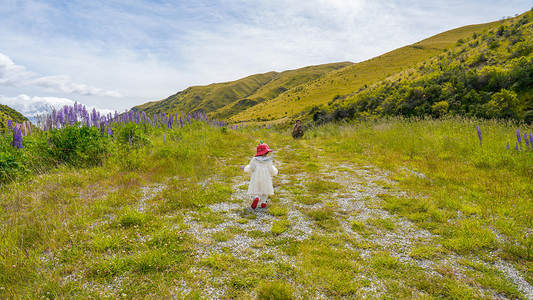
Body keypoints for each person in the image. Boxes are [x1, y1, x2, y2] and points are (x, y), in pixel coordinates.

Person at [243, 142, 278, 209]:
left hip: (256, 176)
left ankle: (256, 197)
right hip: (266, 178)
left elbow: (251, 168)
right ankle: (263, 203)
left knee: (256, 188)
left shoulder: (254, 159)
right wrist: (276, 172)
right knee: (265, 189)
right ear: (266, 152)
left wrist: (245, 168)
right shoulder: (269, 160)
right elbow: (271, 169)